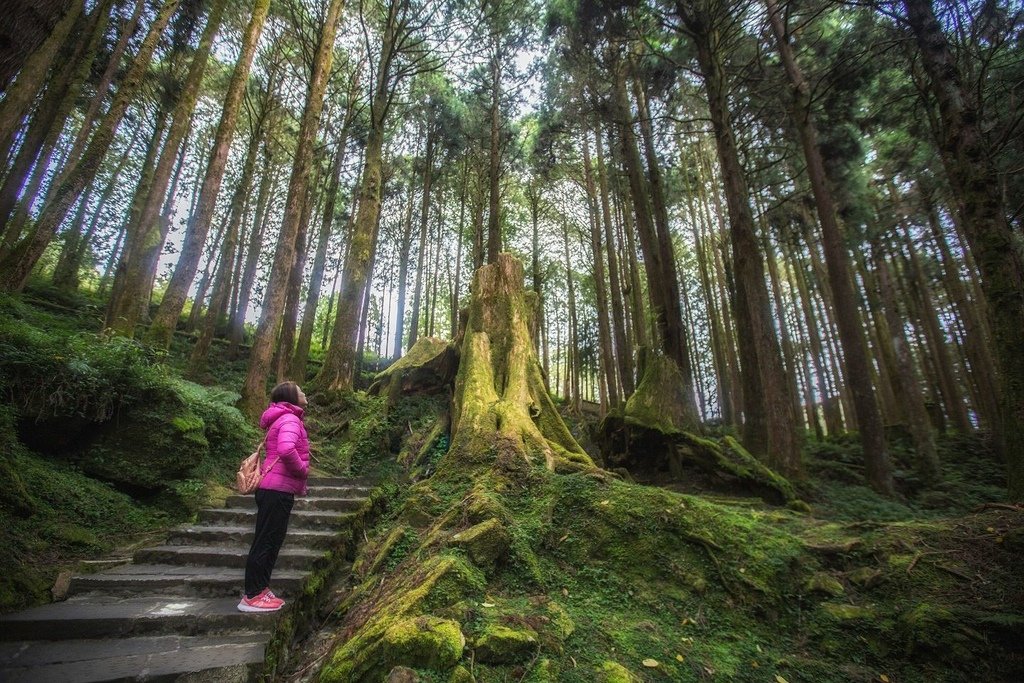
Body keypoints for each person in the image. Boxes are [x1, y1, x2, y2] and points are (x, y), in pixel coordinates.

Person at [238, 381, 310, 613]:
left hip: (273, 488)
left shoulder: (282, 418)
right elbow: (287, 449)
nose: (304, 393)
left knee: (270, 540)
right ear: (292, 397)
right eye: (300, 391)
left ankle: (261, 589)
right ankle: (253, 595)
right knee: (267, 541)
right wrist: (302, 470)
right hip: (276, 490)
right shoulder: (291, 419)